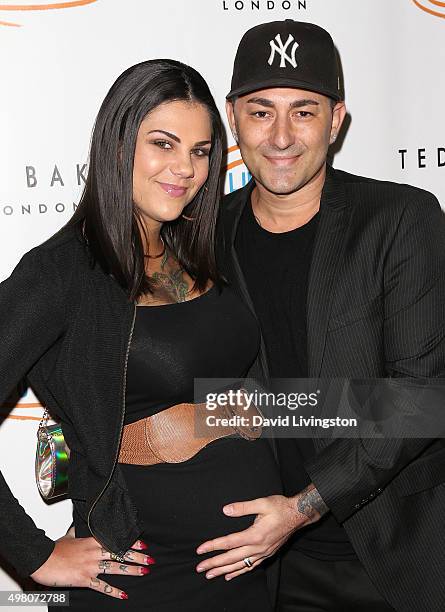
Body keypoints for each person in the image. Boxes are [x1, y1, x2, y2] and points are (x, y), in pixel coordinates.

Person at [0, 58, 282, 611]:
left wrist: (301, 505)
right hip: (151, 581)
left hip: (249, 569)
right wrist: (33, 554)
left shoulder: (199, 248)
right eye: (163, 143)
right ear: (118, 144)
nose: (186, 169)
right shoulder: (62, 272)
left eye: (201, 152)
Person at [194, 20, 445, 612]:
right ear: (232, 118)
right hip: (264, 568)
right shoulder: (204, 236)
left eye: (303, 112)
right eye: (261, 112)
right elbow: (205, 394)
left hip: (397, 560)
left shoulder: (400, 219)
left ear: (336, 120)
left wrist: (299, 508)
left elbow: (416, 399)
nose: (281, 136)